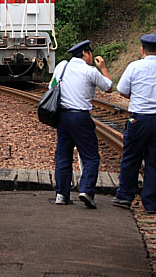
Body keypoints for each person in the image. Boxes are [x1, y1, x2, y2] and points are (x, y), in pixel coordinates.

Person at [50, 39, 113, 207]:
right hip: (80, 117)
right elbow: (108, 87)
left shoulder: (61, 66)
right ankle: (86, 190)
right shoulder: (90, 71)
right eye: (90, 53)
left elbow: (52, 87)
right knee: (91, 156)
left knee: (63, 156)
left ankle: (61, 195)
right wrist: (104, 68)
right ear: (85, 53)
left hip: (62, 117)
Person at [112, 33, 156, 214]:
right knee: (154, 161)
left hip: (137, 118)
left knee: (131, 157)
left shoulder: (134, 66)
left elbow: (122, 90)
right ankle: (151, 202)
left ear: (142, 49)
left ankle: (125, 196)